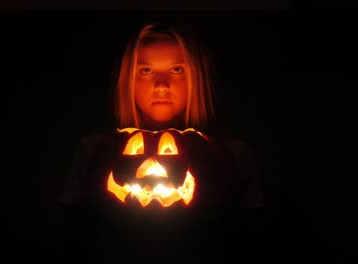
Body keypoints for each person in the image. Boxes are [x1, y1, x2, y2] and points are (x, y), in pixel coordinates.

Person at [53, 21, 265, 259]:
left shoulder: (233, 154)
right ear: (128, 81)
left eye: (176, 70)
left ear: (197, 78)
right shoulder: (93, 149)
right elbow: (68, 233)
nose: (161, 85)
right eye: (146, 71)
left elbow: (253, 239)